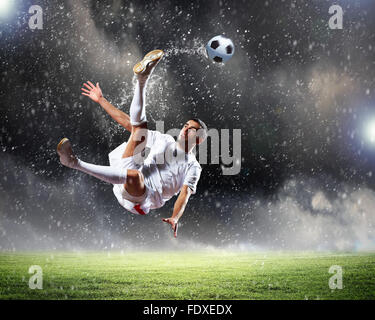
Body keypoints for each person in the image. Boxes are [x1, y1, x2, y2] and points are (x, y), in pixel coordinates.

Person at [57, 50, 207, 237]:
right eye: (185, 125)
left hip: (142, 199)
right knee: (139, 130)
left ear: (199, 139)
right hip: (127, 174)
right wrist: (101, 100)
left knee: (135, 176)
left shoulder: (193, 166)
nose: (186, 129)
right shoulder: (165, 139)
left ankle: (74, 163)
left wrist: (176, 217)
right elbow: (130, 123)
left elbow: (184, 194)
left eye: (192, 129)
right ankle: (142, 79)